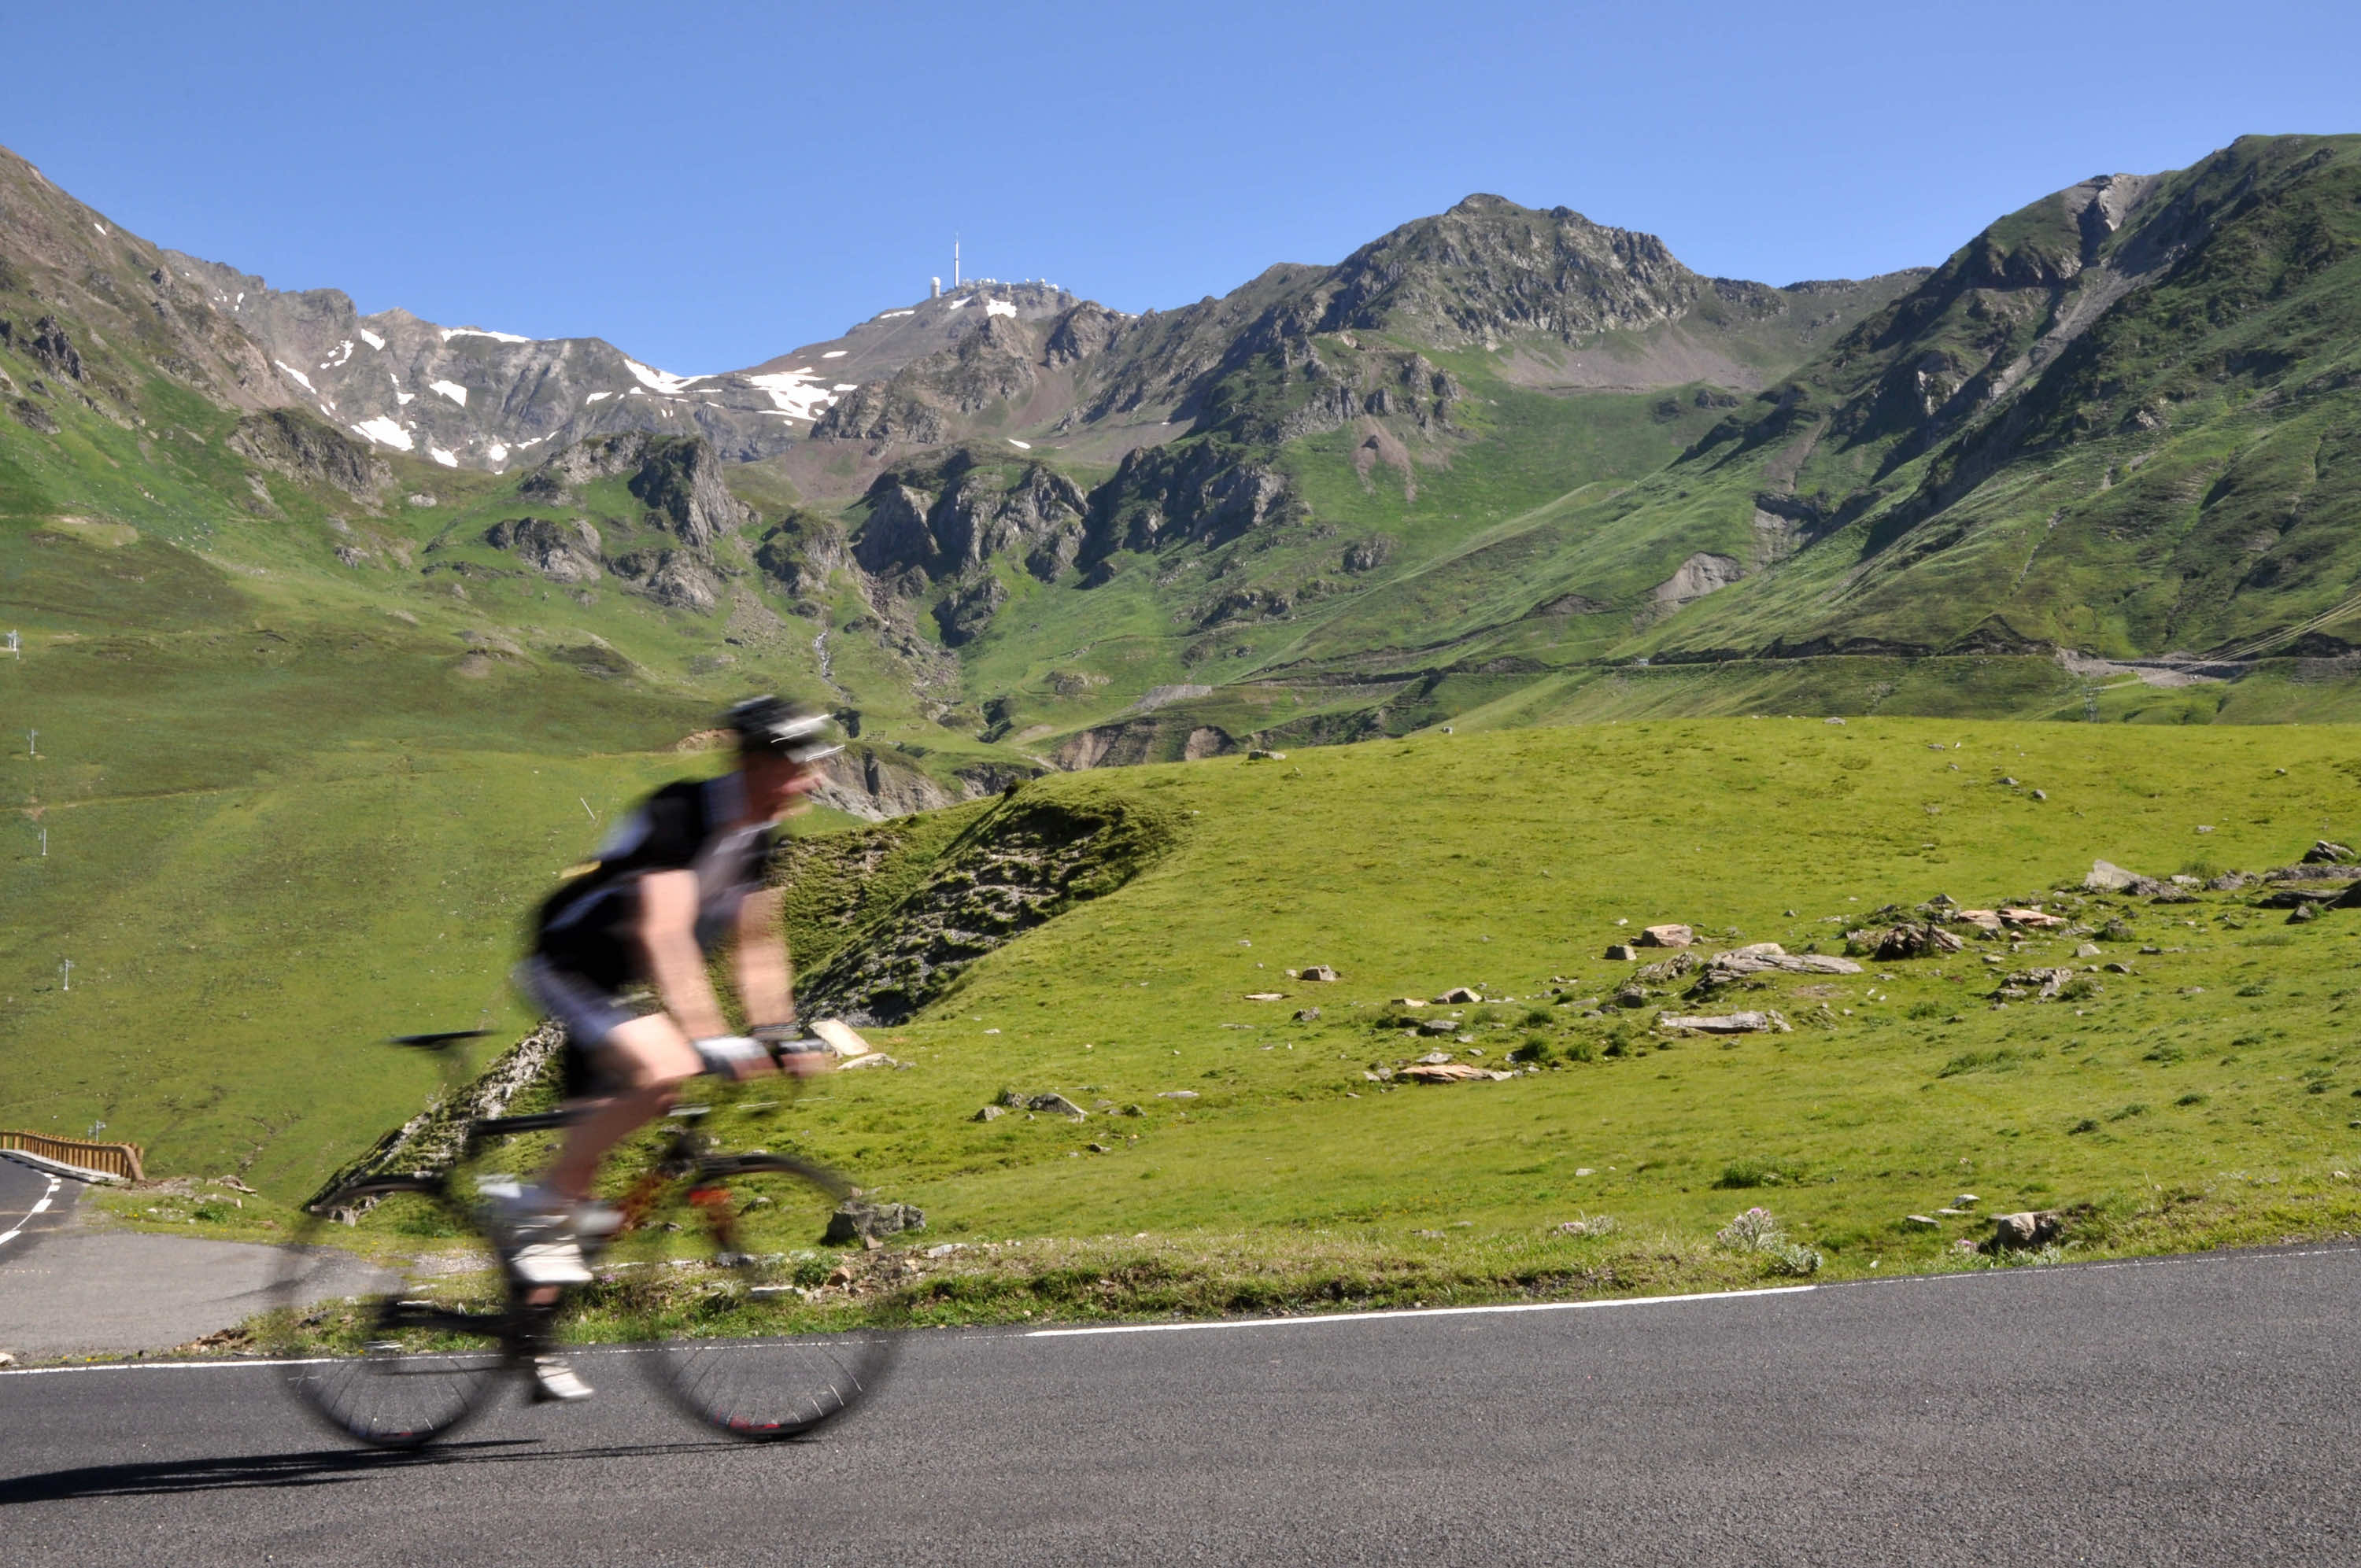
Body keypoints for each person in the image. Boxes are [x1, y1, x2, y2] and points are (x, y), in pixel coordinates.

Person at [503, 695, 841, 1400]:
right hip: (567, 961)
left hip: (621, 986)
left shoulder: (759, 837)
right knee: (668, 1070)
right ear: (758, 762)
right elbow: (662, 933)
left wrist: (777, 1033)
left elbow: (757, 946)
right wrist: (708, 1036)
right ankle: (529, 1205)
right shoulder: (681, 814)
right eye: (800, 763)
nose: (813, 778)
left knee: (586, 1185)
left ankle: (528, 1337)